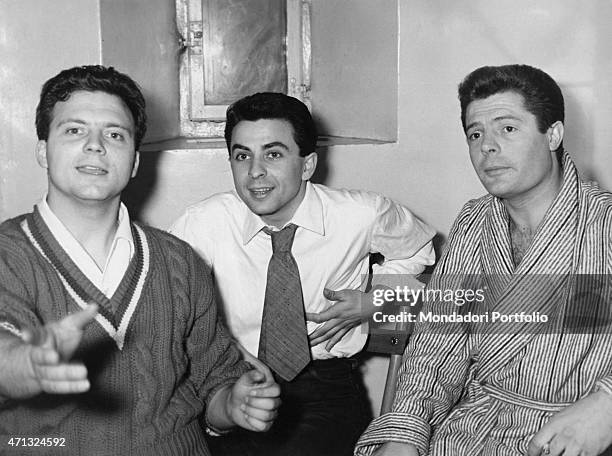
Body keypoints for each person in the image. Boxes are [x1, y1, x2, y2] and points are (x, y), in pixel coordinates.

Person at [0, 65, 281, 455]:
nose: (96, 145)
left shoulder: (180, 262)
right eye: (74, 130)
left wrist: (232, 406)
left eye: (115, 134)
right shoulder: (8, 256)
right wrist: (23, 366)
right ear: (43, 150)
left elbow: (213, 382)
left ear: (133, 161)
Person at [354, 64, 612, 456]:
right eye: (475, 134)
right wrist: (406, 432)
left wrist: (606, 406)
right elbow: (437, 347)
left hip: (569, 438)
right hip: (470, 429)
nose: (486, 146)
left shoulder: (604, 222)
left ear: (553, 134)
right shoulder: (475, 222)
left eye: (507, 128)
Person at [170, 92, 436, 456]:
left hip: (324, 390)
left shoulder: (360, 214)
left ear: (307, 164)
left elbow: (419, 248)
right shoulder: (205, 222)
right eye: (242, 155)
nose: (255, 172)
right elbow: (166, 302)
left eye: (273, 154)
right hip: (231, 384)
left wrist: (376, 301)